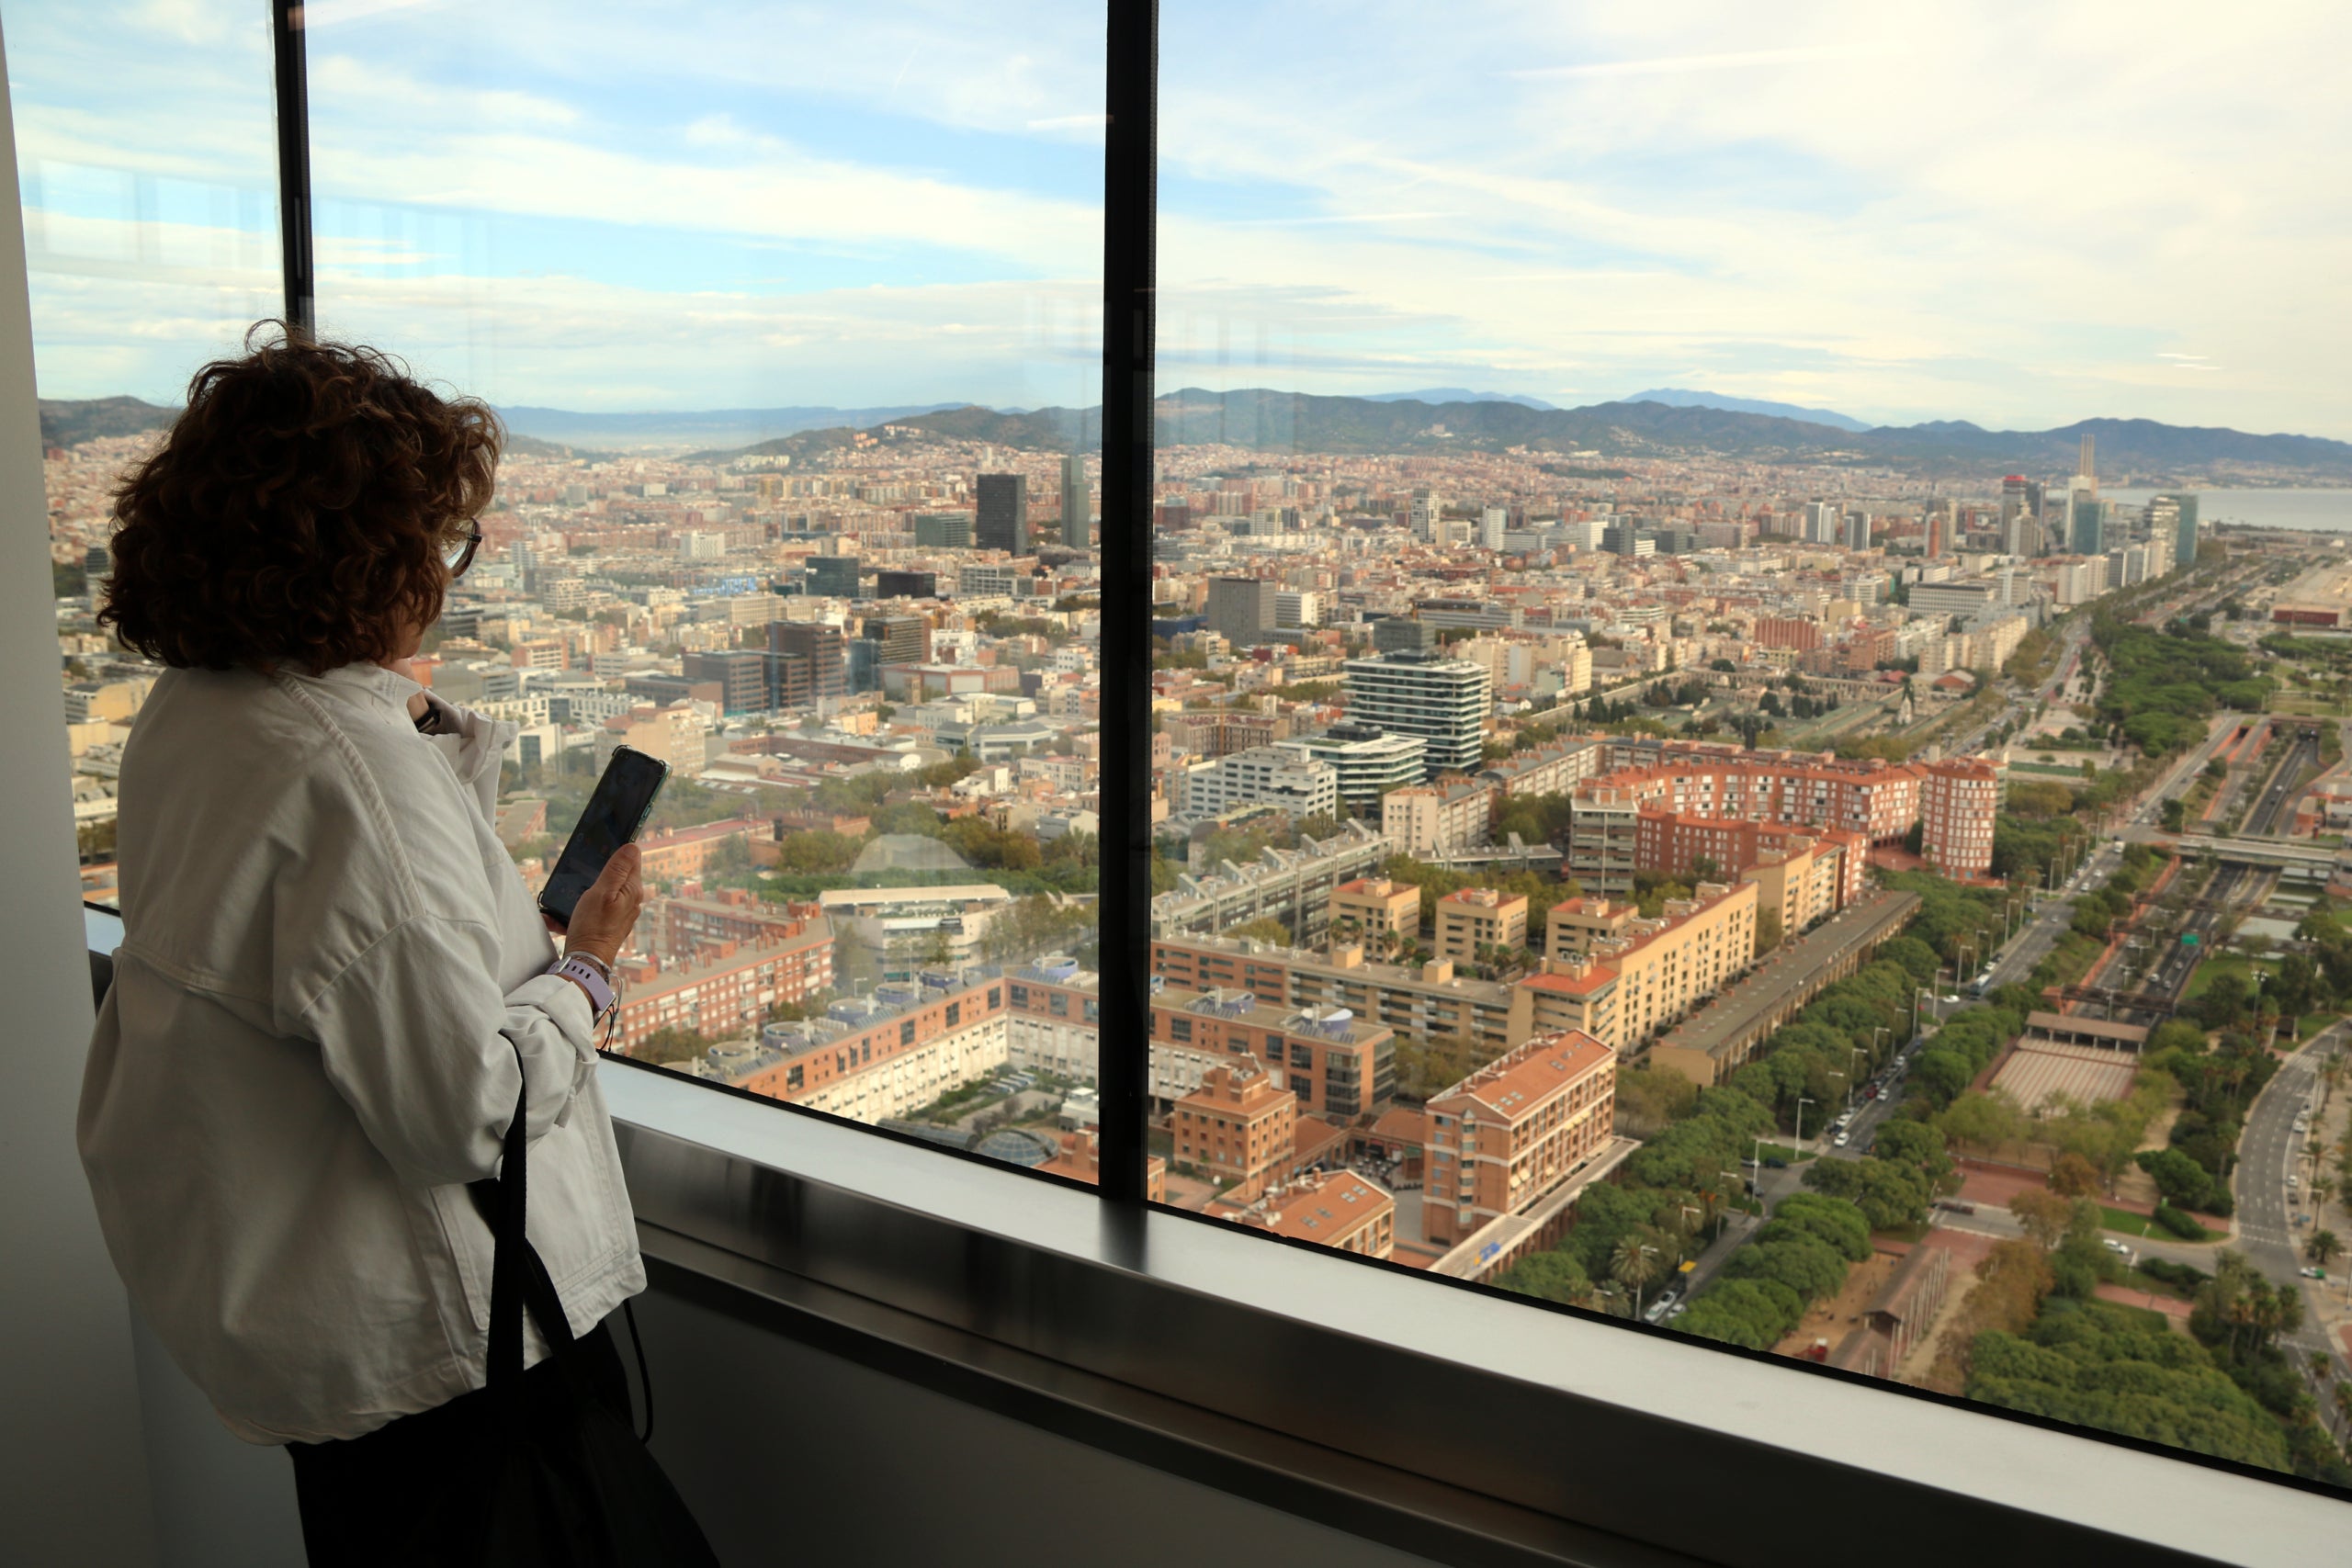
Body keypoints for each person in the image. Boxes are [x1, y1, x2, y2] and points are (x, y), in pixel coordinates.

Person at [77, 330, 667, 1562]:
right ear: (370, 553)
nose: (444, 572)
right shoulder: (348, 770)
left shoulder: (196, 711)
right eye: (436, 539)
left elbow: (345, 971)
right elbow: (463, 1112)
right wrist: (587, 971)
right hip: (453, 1360)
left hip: (318, 1336)